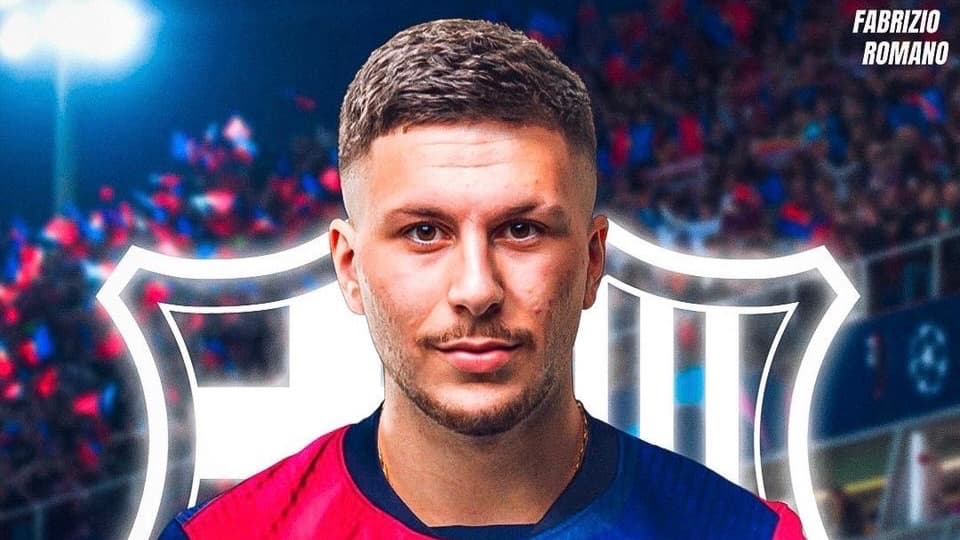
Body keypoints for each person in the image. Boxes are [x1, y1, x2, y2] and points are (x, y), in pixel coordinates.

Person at [160, 19, 804, 539]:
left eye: (521, 229)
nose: (476, 289)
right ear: (350, 269)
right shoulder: (224, 536)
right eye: (424, 232)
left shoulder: (743, 533)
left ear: (592, 262)